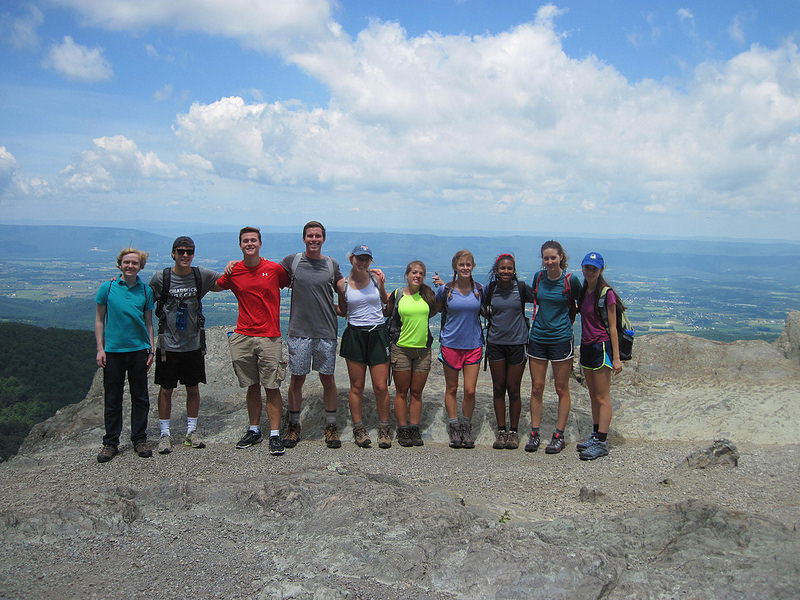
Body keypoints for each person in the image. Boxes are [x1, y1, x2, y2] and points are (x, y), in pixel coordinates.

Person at [216, 226, 290, 456]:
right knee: (251, 385)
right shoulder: (234, 271)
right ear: (240, 245)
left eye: (253, 240)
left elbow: (291, 282)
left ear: (260, 244)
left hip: (269, 336)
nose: (249, 244)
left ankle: (275, 434)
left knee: (272, 385)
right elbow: (215, 285)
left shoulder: (274, 269)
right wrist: (228, 266)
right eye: (245, 241)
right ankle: (254, 429)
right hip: (244, 335)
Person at [149, 236, 223, 454]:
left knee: (193, 387)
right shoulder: (161, 278)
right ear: (173, 253)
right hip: (168, 344)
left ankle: (192, 431)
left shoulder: (200, 276)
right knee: (166, 389)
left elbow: (228, 279)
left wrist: (235, 266)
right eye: (180, 251)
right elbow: (142, 299)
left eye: (189, 252)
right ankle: (165, 434)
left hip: (192, 344)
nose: (185, 255)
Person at [280, 221, 344, 449]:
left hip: (326, 331)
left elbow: (343, 288)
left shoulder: (331, 264)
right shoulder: (293, 261)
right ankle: (294, 426)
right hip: (299, 332)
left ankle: (331, 426)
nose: (314, 239)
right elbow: (268, 275)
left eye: (317, 236)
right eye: (310, 236)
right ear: (304, 238)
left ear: (323, 239)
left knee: (328, 379)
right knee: (297, 379)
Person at [94, 248, 155, 463]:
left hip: (138, 350)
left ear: (140, 266)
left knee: (140, 397)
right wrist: (100, 349)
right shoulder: (108, 287)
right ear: (120, 264)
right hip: (113, 351)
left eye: (134, 263)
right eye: (127, 262)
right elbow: (100, 320)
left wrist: (151, 348)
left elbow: (149, 322)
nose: (130, 266)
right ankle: (110, 443)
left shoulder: (146, 291)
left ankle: (139, 439)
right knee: (112, 398)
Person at [525, 240, 581, 454]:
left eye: (553, 258)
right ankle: (535, 433)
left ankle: (559, 435)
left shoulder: (570, 280)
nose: (549, 262)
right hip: (538, 337)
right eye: (546, 258)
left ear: (561, 258)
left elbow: (578, 303)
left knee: (561, 388)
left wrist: (566, 324)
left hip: (561, 338)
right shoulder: (538, 278)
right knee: (537, 387)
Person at [336, 244, 392, 448]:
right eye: (359, 258)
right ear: (351, 259)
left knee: (380, 386)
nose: (362, 262)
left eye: (366, 259)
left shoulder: (377, 279)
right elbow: (342, 310)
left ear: (371, 261)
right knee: (357, 386)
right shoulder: (342, 284)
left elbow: (385, 303)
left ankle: (384, 428)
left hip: (377, 333)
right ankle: (359, 428)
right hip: (355, 334)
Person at [431, 250, 483, 449]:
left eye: (468, 264)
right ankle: (454, 427)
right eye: (461, 265)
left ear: (473, 266)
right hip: (451, 343)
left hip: (473, 345)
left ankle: (466, 427)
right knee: (451, 388)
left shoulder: (479, 289)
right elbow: (434, 309)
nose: (465, 268)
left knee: (470, 391)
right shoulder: (446, 290)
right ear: (455, 267)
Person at [483, 253, 535, 450]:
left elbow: (541, 299)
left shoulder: (520, 288)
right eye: (502, 268)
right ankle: (501, 431)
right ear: (497, 270)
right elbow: (482, 306)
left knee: (513, 389)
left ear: (514, 271)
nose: (506, 271)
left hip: (517, 342)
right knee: (498, 388)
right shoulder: (491, 289)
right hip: (496, 343)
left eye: (509, 268)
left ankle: (513, 432)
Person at [384, 260, 438, 447]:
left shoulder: (428, 295)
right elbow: (387, 313)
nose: (417, 276)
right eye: (414, 272)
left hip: (423, 350)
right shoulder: (398, 294)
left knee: (416, 392)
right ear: (407, 275)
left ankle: (414, 428)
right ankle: (402, 428)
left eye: (421, 273)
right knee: (401, 392)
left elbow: (436, 309)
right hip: (401, 349)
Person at [576, 252, 623, 460]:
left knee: (603, 397)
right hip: (586, 346)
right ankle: (596, 435)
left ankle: (602, 442)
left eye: (594, 269)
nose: (590, 272)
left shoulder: (606, 293)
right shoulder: (585, 290)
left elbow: (613, 328)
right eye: (587, 268)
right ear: (582, 268)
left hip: (601, 347)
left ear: (601, 270)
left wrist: (616, 357)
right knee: (593, 395)